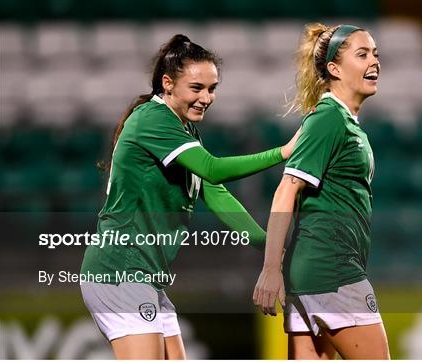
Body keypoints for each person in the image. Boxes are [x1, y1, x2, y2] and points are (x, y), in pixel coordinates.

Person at [80, 34, 299, 359]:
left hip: (146, 277)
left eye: (212, 89)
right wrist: (283, 152)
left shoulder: (182, 130)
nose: (207, 97)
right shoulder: (152, 120)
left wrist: (273, 251)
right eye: (196, 88)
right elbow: (212, 169)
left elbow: (217, 196)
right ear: (167, 84)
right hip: (119, 271)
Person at [253, 23, 390, 359]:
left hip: (313, 270)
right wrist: (271, 268)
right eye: (362, 54)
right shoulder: (329, 118)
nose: (374, 61)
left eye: (375, 53)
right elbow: (286, 189)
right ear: (334, 68)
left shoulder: (340, 120)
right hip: (333, 269)